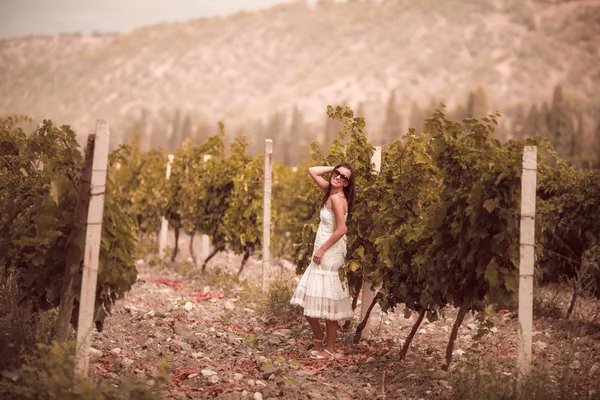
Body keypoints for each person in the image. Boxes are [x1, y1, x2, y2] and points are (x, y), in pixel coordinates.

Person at [290, 163, 355, 359]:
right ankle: (319, 338)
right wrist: (334, 167)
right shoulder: (330, 191)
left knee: (327, 300)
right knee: (307, 298)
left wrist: (322, 249)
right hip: (323, 250)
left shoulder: (336, 198)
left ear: (347, 184)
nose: (339, 178)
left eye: (344, 178)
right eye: (337, 174)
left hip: (329, 252)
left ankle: (330, 348)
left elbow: (341, 229)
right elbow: (311, 170)